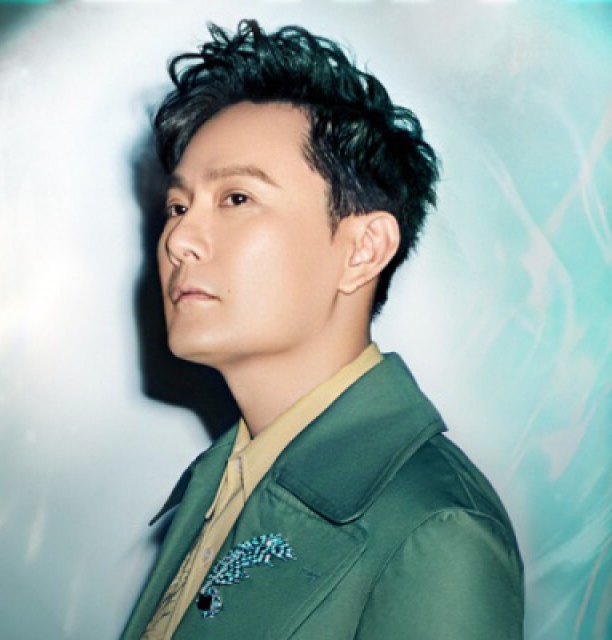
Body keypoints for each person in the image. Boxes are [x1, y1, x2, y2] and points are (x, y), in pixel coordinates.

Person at [120, 19, 524, 640]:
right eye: (178, 206)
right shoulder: (222, 480)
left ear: (364, 249)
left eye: (236, 198)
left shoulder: (436, 531)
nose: (179, 239)